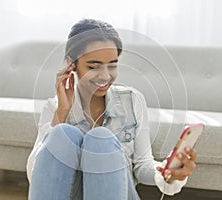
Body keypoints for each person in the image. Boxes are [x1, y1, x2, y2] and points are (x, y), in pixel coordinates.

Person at [27, 18, 197, 200]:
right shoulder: (54, 107)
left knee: (101, 138)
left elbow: (142, 165)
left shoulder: (132, 100)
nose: (105, 76)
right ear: (72, 63)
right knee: (62, 133)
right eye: (94, 66)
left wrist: (164, 173)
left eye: (113, 65)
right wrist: (62, 112)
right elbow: (36, 174)